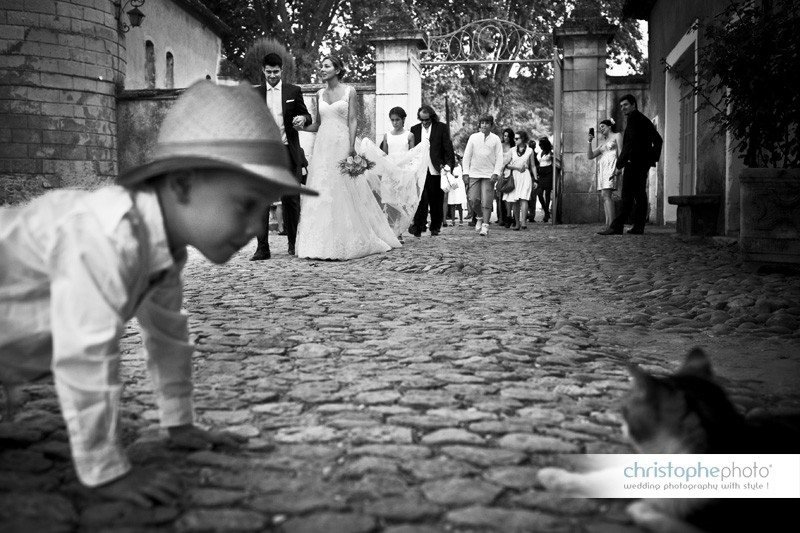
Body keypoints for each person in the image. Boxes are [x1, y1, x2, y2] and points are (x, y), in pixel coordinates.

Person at [0, 81, 317, 506]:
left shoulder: (162, 244)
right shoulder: (107, 236)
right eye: (245, 205)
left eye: (267, 209)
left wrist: (180, 422)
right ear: (182, 186)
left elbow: (168, 332)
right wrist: (104, 471)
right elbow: (86, 352)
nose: (255, 227)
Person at [294, 56, 401, 259]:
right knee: (322, 188)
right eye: (322, 65)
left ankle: (350, 237)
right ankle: (319, 243)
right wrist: (303, 127)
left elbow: (352, 120)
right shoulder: (319, 94)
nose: (322, 69)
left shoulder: (349, 91)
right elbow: (318, 123)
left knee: (344, 188)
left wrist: (351, 147)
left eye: (326, 66)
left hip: (342, 144)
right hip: (323, 146)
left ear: (337, 69)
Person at [251, 52, 313, 260]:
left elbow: (308, 115)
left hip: (289, 151)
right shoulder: (255, 93)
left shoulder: (293, 91)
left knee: (291, 199)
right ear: (263, 70)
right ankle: (262, 248)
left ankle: (293, 243)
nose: (272, 75)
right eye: (268, 72)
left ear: (282, 71)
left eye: (276, 72)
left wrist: (302, 119)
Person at [599, 94, 663, 235]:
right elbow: (657, 140)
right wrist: (649, 159)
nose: (622, 108)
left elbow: (630, 144)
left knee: (628, 195)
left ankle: (618, 227)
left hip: (634, 163)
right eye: (621, 106)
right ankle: (636, 227)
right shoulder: (639, 119)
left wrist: (620, 165)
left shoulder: (636, 119)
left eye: (625, 105)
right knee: (638, 195)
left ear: (634, 104)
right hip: (638, 163)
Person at [376, 106, 428, 242]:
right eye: (392, 120)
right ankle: (391, 230)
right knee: (390, 201)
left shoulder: (409, 135)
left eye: (397, 120)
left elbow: (412, 156)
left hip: (403, 174)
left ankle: (398, 232)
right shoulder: (387, 136)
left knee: (401, 202)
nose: (395, 123)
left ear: (403, 119)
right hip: (390, 173)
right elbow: (385, 155)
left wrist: (411, 174)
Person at [408, 105, 456, 237]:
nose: (424, 123)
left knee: (436, 200)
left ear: (432, 117)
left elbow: (448, 148)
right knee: (421, 200)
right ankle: (419, 226)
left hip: (437, 169)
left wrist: (448, 166)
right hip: (420, 170)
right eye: (422, 120)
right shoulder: (414, 130)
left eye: (427, 120)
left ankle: (435, 227)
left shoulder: (441, 128)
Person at [463, 115, 504, 236]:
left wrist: (496, 173)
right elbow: (467, 155)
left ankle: (485, 225)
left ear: (491, 125)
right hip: (474, 172)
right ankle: (479, 216)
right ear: (479, 125)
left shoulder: (495, 139)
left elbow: (499, 157)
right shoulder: (473, 137)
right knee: (473, 199)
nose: (484, 125)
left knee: (487, 201)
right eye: (482, 123)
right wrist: (465, 172)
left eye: (487, 123)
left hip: (489, 174)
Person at [588, 118, 623, 233]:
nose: (601, 129)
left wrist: (619, 167)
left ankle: (612, 226)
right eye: (600, 127)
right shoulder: (602, 143)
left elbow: (621, 152)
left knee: (607, 195)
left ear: (609, 126)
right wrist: (589, 142)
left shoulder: (617, 135)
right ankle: (608, 224)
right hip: (603, 169)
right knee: (604, 196)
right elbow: (591, 155)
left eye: (602, 126)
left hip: (611, 167)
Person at [503, 131, 536, 230]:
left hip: (525, 175)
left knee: (524, 198)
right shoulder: (512, 150)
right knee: (515, 200)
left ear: (523, 139)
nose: (515, 140)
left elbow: (533, 165)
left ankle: (524, 222)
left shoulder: (530, 150)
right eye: (515, 138)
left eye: (517, 138)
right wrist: (516, 167)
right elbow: (506, 164)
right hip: (515, 176)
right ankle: (517, 223)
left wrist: (536, 179)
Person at [497, 128, 515, 226]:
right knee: (500, 196)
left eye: (508, 136)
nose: (506, 138)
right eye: (505, 136)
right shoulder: (500, 145)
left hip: (511, 171)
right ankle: (502, 218)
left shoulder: (514, 146)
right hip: (501, 172)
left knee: (511, 195)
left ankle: (511, 216)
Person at [537, 137, 556, 223]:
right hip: (541, 174)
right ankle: (546, 211)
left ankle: (546, 214)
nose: (540, 146)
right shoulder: (540, 153)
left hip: (548, 173)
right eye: (539, 145)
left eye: (541, 145)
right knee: (539, 193)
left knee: (547, 194)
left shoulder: (550, 153)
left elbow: (554, 163)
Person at [446, 153, 466, 225]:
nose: (455, 160)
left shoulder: (460, 167)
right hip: (452, 186)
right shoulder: (450, 167)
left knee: (459, 203)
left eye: (456, 159)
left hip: (459, 186)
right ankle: (453, 220)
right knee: (452, 203)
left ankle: (461, 220)